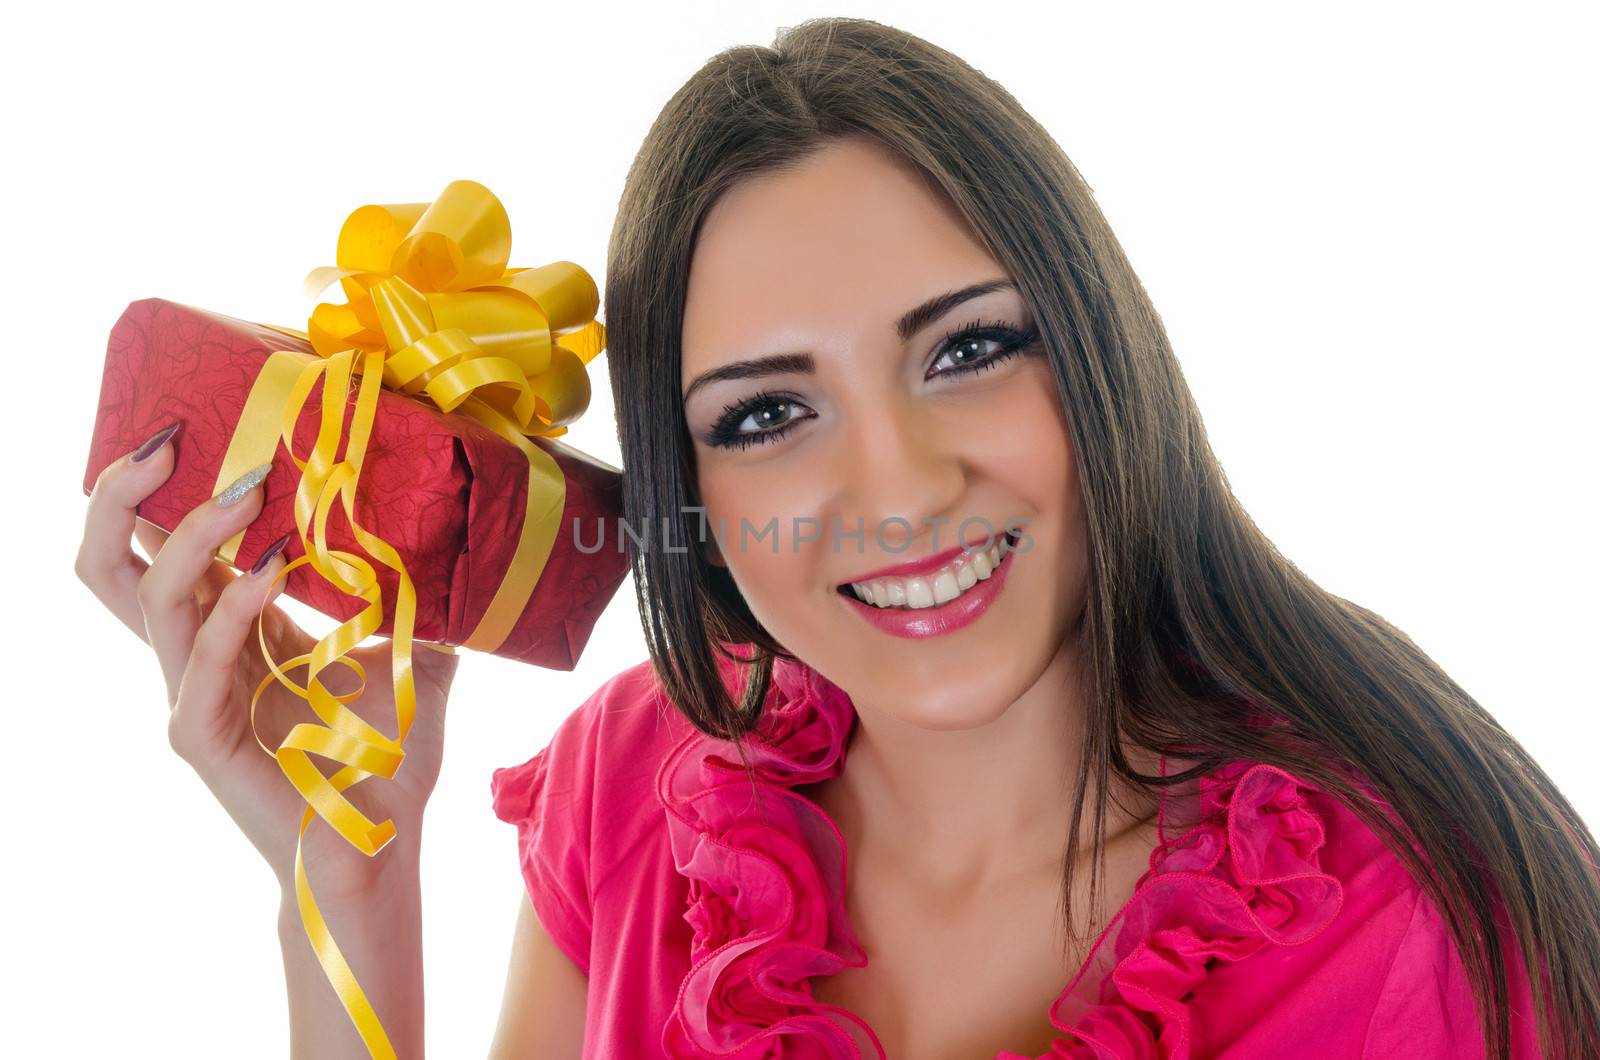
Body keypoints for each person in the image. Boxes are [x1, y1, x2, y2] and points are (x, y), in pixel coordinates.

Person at [75, 16, 1598, 1060]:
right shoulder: (637, 795)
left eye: (966, 351)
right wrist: (348, 887)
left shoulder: (1393, 918)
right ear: (690, 492)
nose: (898, 491)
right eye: (760, 417)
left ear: (1101, 352)